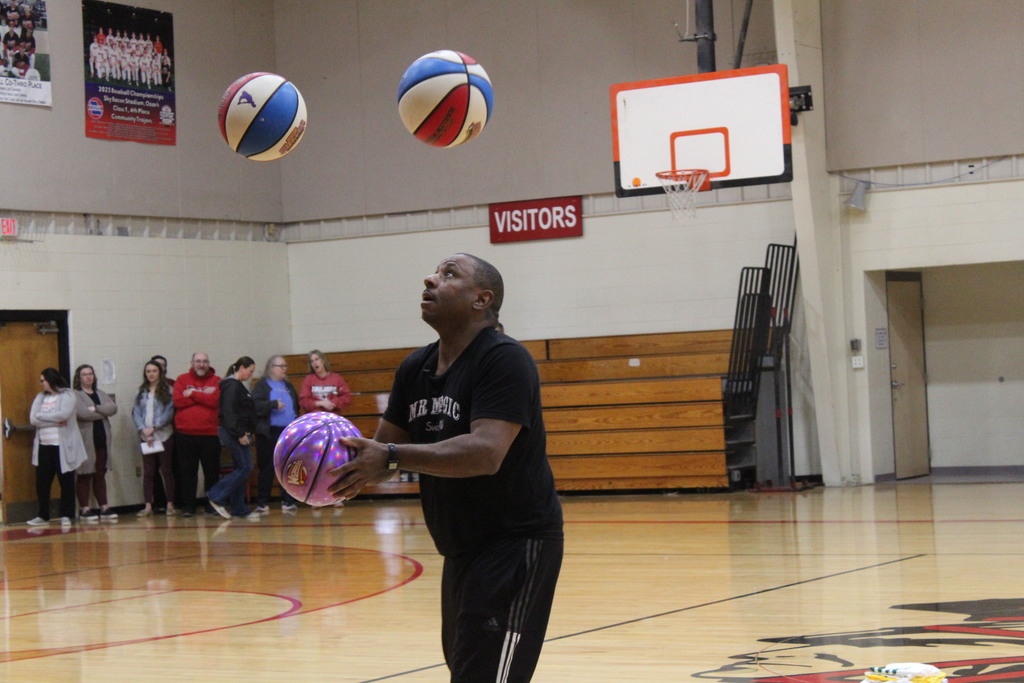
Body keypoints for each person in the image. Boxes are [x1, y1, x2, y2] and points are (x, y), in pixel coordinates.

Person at [328, 253, 564, 682]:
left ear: (481, 299)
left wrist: (393, 457)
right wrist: (329, 466)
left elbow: (486, 452)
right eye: (435, 272)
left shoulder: (504, 359)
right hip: (460, 551)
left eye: (448, 274)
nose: (430, 278)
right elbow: (381, 450)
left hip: (515, 546)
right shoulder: (414, 367)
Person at [206, 356, 264, 520]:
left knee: (242, 467)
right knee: (245, 467)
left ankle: (239, 508)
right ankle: (216, 495)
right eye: (250, 371)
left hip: (237, 431)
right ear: (242, 368)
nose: (251, 375)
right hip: (232, 431)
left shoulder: (236, 385)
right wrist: (239, 433)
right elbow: (230, 413)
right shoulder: (231, 386)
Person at [28, 368, 87, 527]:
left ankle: (66, 514)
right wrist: (52, 422)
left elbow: (63, 415)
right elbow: (33, 419)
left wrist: (43, 417)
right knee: (42, 482)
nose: (41, 384)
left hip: (62, 446)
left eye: (43, 381)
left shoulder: (68, 395)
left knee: (66, 481)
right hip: (44, 446)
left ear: (51, 380)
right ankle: (43, 515)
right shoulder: (40, 397)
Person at [173, 352, 221, 517]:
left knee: (212, 472)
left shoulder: (216, 381)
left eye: (205, 361)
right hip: (185, 434)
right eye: (198, 361)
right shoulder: (181, 379)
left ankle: (211, 505)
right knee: (187, 472)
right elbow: (178, 401)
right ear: (192, 362)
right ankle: (189, 507)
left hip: (209, 434)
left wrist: (192, 394)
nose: (201, 364)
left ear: (209, 363)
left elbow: (215, 401)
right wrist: (203, 395)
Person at [251, 354, 300, 513]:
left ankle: (288, 500)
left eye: (285, 366)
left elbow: (296, 406)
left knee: (286, 467)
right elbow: (256, 406)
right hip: (269, 432)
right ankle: (262, 502)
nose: (284, 369)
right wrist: (273, 404)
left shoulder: (288, 385)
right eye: (281, 366)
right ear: (272, 368)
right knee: (267, 467)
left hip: (287, 432)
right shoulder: (262, 385)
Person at [73, 364, 119, 522]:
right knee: (85, 474)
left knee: (100, 474)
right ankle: (85, 508)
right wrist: (103, 413)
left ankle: (104, 507)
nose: (88, 377)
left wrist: (96, 408)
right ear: (79, 378)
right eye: (84, 374)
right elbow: (83, 413)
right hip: (86, 441)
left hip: (102, 440)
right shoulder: (76, 395)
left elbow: (113, 408)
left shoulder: (100, 393)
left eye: (90, 374)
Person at [132, 360, 176, 517]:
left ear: (160, 372)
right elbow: (136, 412)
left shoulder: (168, 390)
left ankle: (170, 504)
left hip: (163, 435)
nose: (151, 374)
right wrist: (144, 431)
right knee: (149, 471)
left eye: (154, 371)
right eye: (148, 371)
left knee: (166, 470)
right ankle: (148, 505)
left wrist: (155, 427)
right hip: (146, 437)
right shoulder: (141, 391)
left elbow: (168, 412)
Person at [298, 350, 352, 416]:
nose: (315, 363)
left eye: (316, 359)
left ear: (323, 360)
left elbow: (347, 397)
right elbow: (303, 401)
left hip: (332, 416)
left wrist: (333, 403)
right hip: (314, 418)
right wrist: (320, 403)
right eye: (312, 361)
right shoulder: (308, 379)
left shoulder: (337, 378)